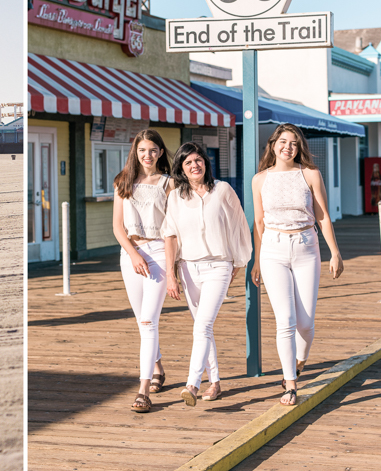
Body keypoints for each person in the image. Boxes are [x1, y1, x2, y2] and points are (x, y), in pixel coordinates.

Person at [250, 123, 344, 406]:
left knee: (305, 322)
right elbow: (258, 222)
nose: (287, 147)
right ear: (273, 144)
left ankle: (301, 360)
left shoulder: (310, 174)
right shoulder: (260, 179)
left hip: (306, 247)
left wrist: (335, 252)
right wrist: (256, 259)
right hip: (273, 250)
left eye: (293, 142)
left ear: (299, 147)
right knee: (285, 321)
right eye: (282, 141)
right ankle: (289, 383)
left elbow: (323, 216)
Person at [162, 142, 251, 406]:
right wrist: (171, 274)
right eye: (188, 163)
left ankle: (192, 383)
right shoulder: (176, 197)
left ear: (206, 163)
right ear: (181, 168)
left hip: (219, 266)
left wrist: (239, 261)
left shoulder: (222, 190)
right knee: (204, 328)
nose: (195, 166)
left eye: (198, 160)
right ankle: (215, 383)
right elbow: (169, 235)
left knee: (203, 325)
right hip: (189, 268)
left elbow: (239, 225)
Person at [111, 129, 175, 413]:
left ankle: (143, 390)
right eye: (142, 151)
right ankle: (159, 368)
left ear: (160, 152)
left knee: (149, 320)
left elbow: (174, 228)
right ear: (135, 153)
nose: (147, 155)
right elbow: (117, 227)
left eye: (152, 150)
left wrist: (174, 267)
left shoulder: (169, 184)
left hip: (159, 253)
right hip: (130, 255)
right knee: (142, 321)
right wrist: (133, 254)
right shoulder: (123, 182)